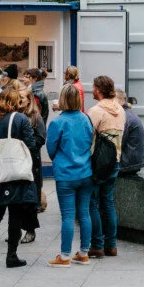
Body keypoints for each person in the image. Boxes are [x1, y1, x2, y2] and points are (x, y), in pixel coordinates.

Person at [0, 81, 39, 269]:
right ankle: (11, 255)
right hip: (13, 171)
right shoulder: (20, 119)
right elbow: (31, 145)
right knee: (15, 213)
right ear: (14, 102)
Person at [45, 84, 94, 266]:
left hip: (65, 173)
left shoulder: (58, 122)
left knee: (67, 216)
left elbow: (51, 149)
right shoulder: (86, 119)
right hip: (85, 171)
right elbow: (90, 141)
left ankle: (64, 256)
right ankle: (83, 253)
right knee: (84, 214)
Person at [87, 75, 126, 258]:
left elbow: (88, 138)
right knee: (108, 203)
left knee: (93, 203)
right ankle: (112, 245)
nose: (92, 90)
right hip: (114, 161)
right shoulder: (121, 110)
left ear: (99, 90)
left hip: (97, 163)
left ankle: (97, 244)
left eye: (94, 87)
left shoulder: (96, 111)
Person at [19, 85, 47, 238]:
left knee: (30, 197)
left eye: (21, 98)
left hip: (30, 162)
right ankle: (16, 228)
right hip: (17, 160)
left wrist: (26, 144)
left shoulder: (35, 117)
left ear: (29, 101)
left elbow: (41, 138)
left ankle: (30, 230)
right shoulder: (15, 115)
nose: (18, 101)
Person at [117, 89, 144, 177]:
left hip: (127, 164)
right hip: (134, 162)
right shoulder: (128, 114)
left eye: (113, 100)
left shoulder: (124, 116)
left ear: (122, 101)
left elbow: (119, 142)